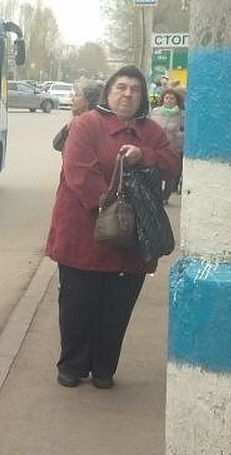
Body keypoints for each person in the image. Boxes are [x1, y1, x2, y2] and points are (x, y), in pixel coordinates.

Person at [45, 65, 178, 390]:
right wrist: (112, 210)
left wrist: (142, 155)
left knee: (117, 308)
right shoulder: (86, 125)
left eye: (135, 89)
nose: (128, 94)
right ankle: (72, 366)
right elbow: (79, 173)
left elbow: (172, 163)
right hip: (84, 233)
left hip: (132, 240)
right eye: (121, 87)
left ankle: (104, 368)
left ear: (143, 96)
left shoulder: (151, 131)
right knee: (78, 304)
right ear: (108, 92)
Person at [149, 86, 185, 202]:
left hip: (173, 148)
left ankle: (165, 196)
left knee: (171, 173)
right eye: (166, 98)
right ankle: (156, 194)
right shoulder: (155, 112)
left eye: (172, 98)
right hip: (156, 148)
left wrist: (180, 139)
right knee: (156, 172)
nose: (169, 100)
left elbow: (184, 130)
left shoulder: (181, 115)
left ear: (176, 101)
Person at [52, 78, 103, 151]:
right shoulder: (76, 120)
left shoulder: (92, 124)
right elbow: (57, 144)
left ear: (87, 101)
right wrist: (70, 123)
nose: (72, 98)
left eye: (77, 95)